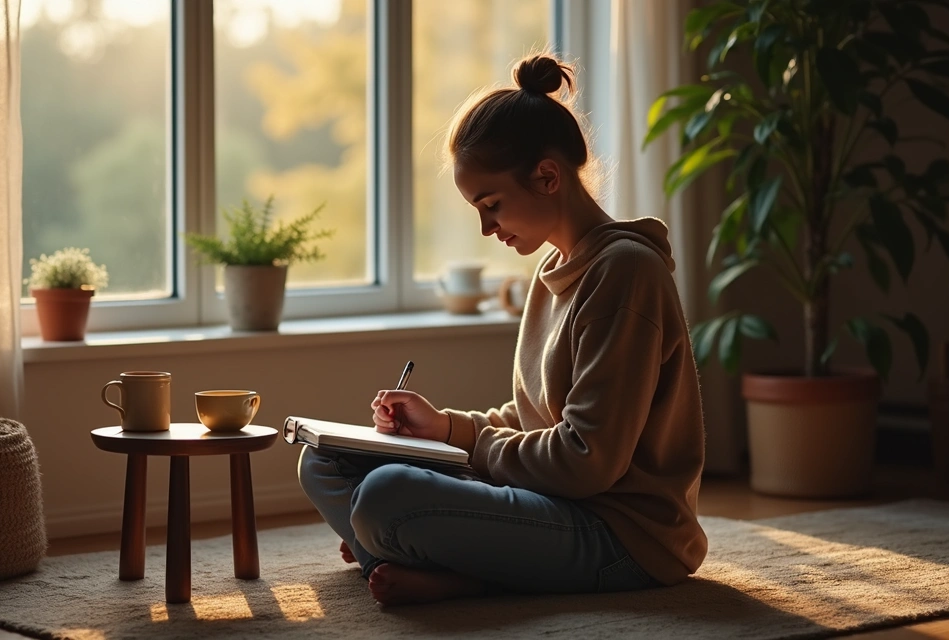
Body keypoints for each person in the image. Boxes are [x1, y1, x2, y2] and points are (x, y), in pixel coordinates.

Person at [297, 52, 708, 607]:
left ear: (546, 177)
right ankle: (418, 554)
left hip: (621, 533)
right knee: (325, 459)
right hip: (552, 504)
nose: (487, 228)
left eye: (491, 205)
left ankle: (456, 572)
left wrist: (458, 447)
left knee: (387, 495)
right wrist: (445, 426)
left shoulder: (626, 273)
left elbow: (585, 461)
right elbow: (535, 419)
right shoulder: (552, 272)